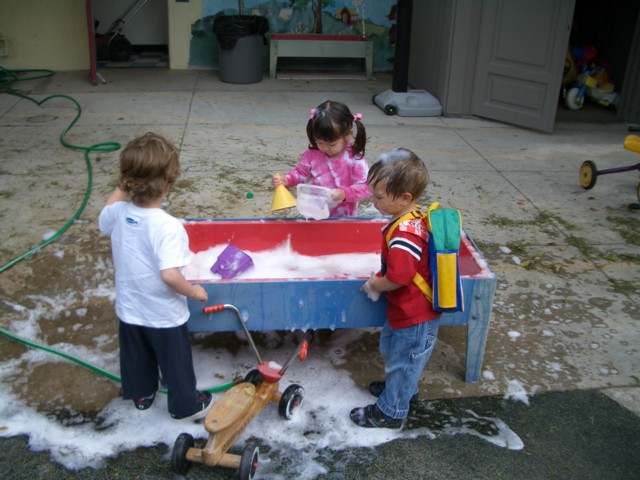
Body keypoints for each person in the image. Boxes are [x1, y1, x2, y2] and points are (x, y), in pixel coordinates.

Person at [98, 132, 213, 421]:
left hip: (130, 307)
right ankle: (185, 404)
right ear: (170, 182)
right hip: (163, 313)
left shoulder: (119, 213)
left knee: (136, 355)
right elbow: (170, 275)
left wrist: (122, 187)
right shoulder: (168, 226)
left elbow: (105, 212)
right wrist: (193, 292)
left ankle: (142, 395)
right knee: (175, 363)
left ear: (126, 181)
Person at [351, 148, 441, 429]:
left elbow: (401, 276)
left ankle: (391, 412)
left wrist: (377, 282)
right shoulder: (411, 218)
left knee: (403, 360)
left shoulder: (405, 233)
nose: (373, 202)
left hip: (416, 317)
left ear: (405, 198)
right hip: (408, 311)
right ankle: (402, 389)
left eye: (379, 197)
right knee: (394, 352)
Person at [272, 100, 370, 217]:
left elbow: (365, 187)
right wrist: (286, 180)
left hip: (343, 218)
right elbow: (300, 173)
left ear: (347, 135)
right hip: (314, 213)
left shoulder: (355, 160)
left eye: (332, 144)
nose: (325, 148)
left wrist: (345, 193)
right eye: (320, 142)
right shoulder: (312, 156)